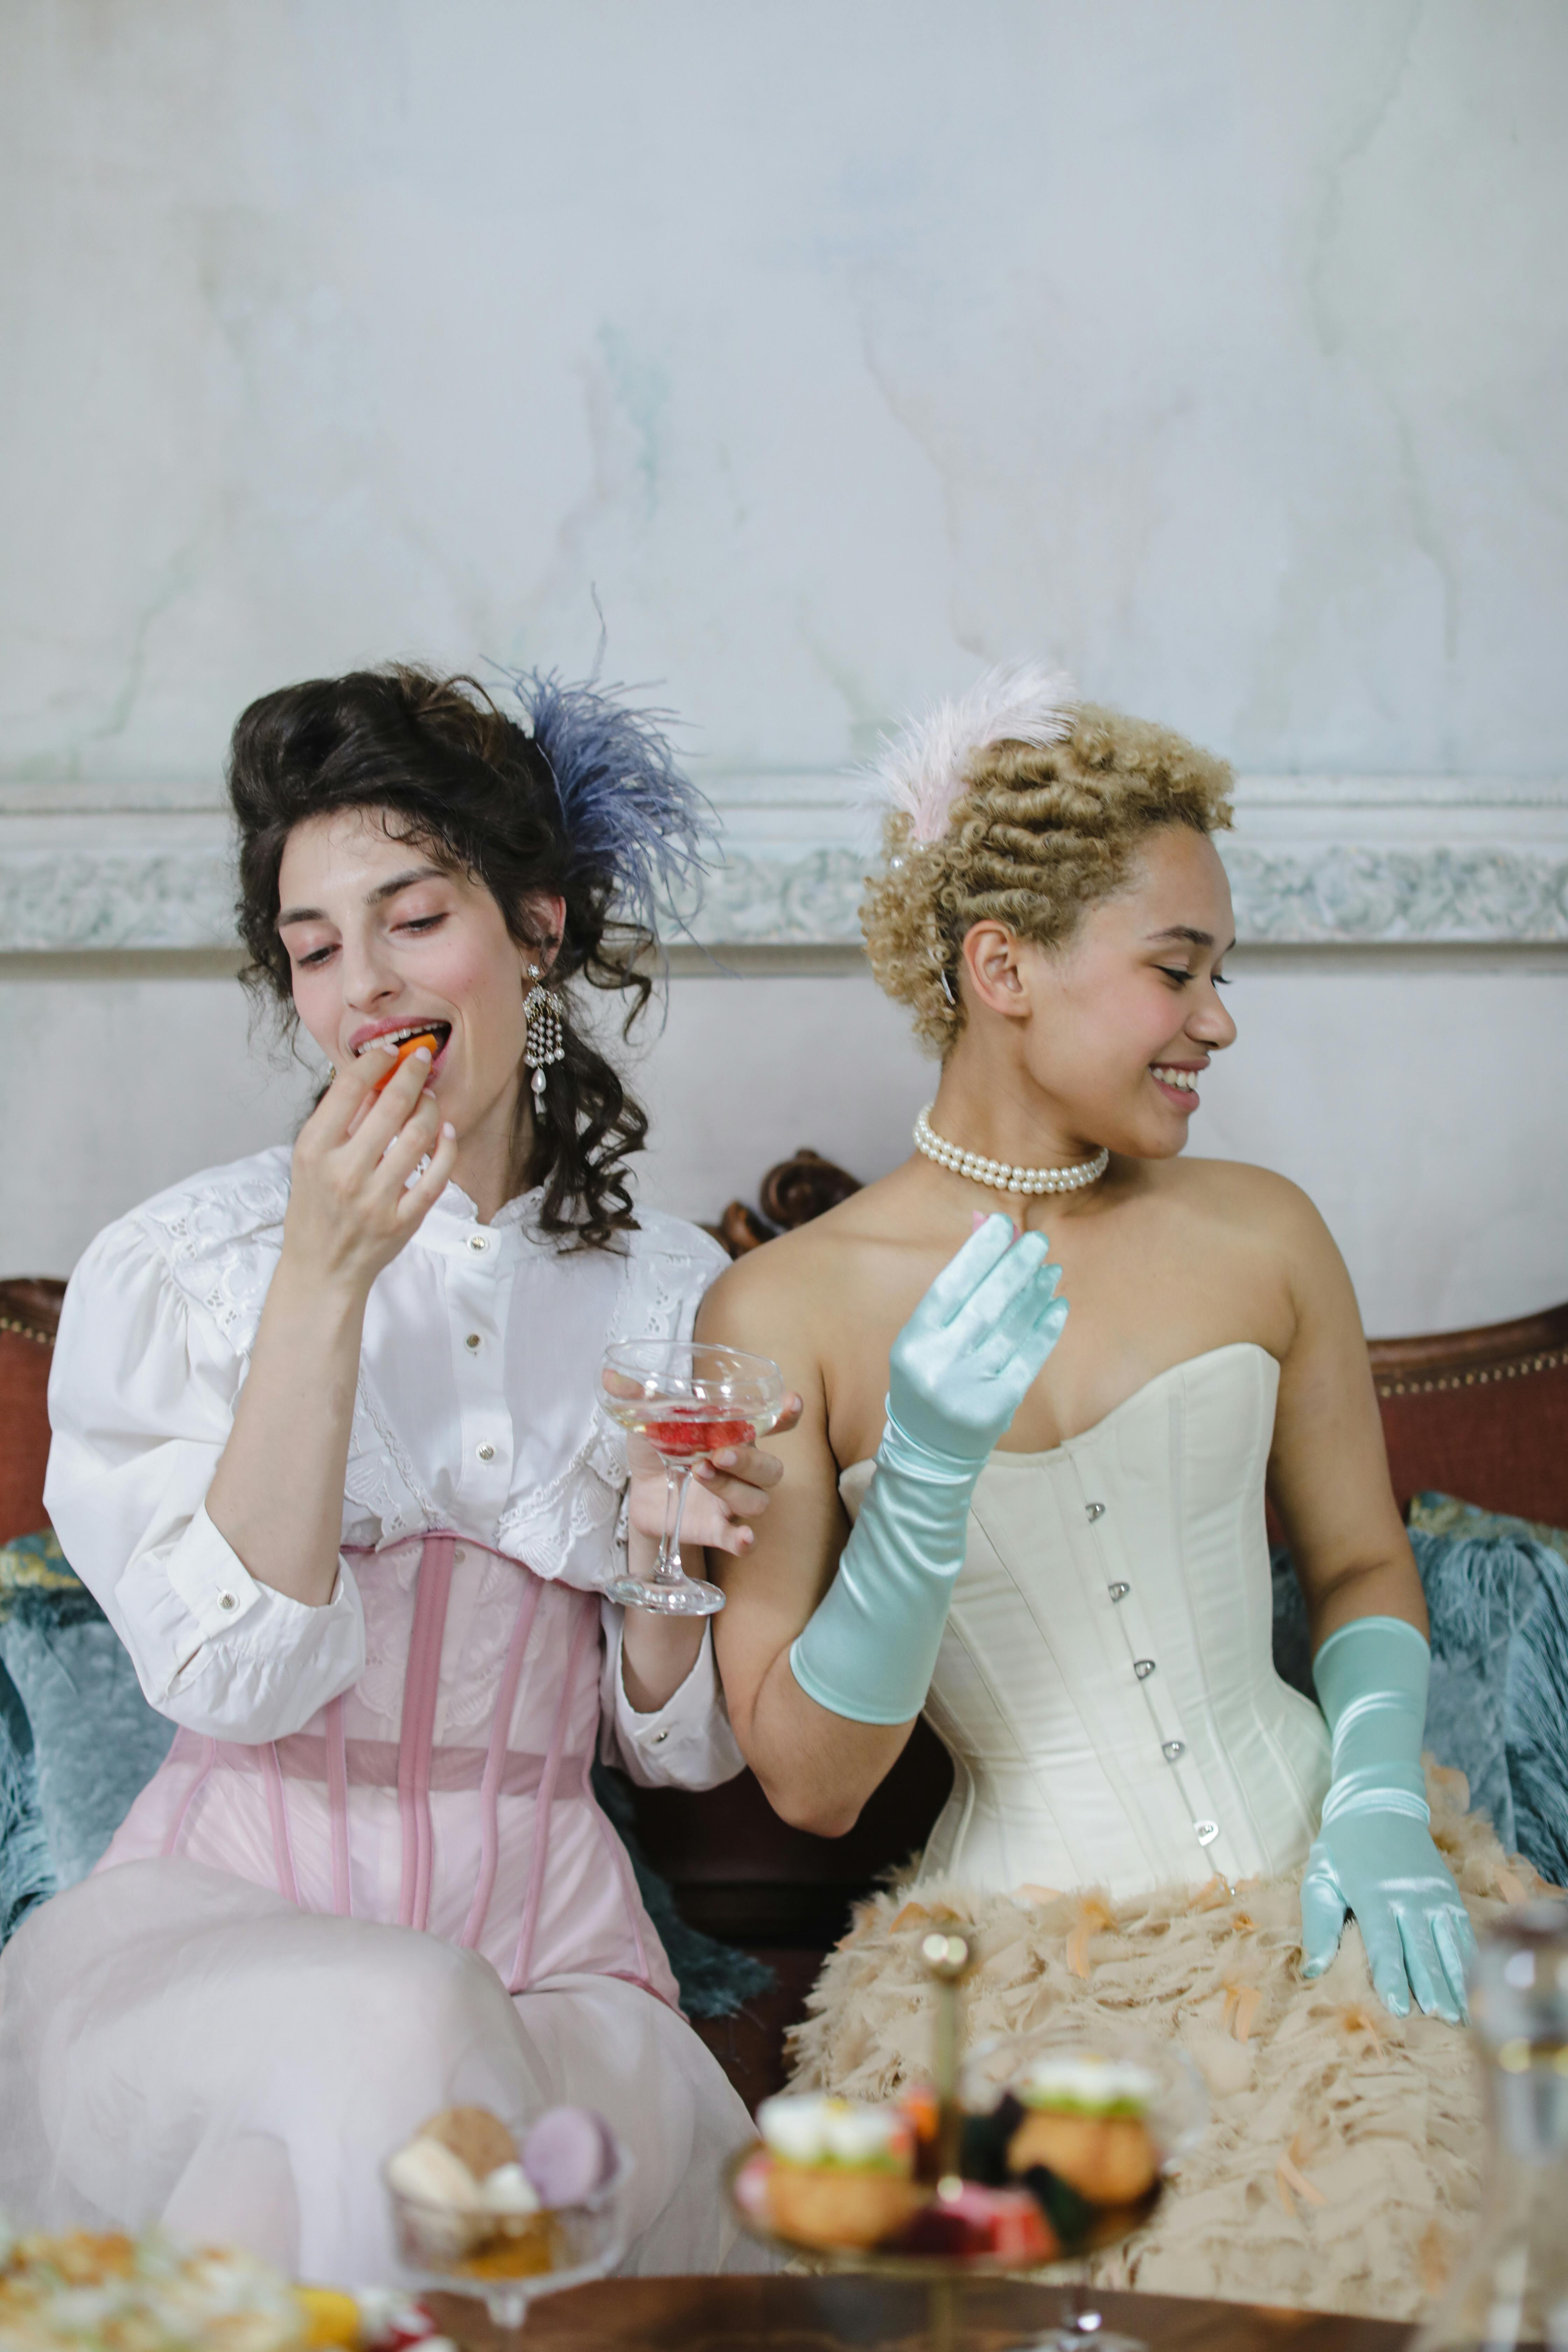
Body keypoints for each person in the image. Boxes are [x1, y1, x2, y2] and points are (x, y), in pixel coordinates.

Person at [700, 667, 1547, 2320]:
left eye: (1221, 973)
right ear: (1000, 969)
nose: (1217, 1021)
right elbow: (808, 1783)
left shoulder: (1262, 1231)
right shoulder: (784, 1310)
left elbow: (1359, 1563)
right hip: (1013, 1977)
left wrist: (1378, 1792)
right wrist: (921, 1480)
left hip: (1340, 1895)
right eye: (1177, 968)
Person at [0, 667, 793, 2282]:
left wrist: (663, 1558)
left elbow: (680, 1753)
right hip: (214, 1956)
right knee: (392, 2022)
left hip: (559, 1976)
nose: (361, 984)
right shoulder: (190, 1271)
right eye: (312, 949)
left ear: (537, 927)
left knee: (288, 2205)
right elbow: (230, 1682)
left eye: (412, 920)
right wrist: (324, 1276)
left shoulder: (672, 1295)